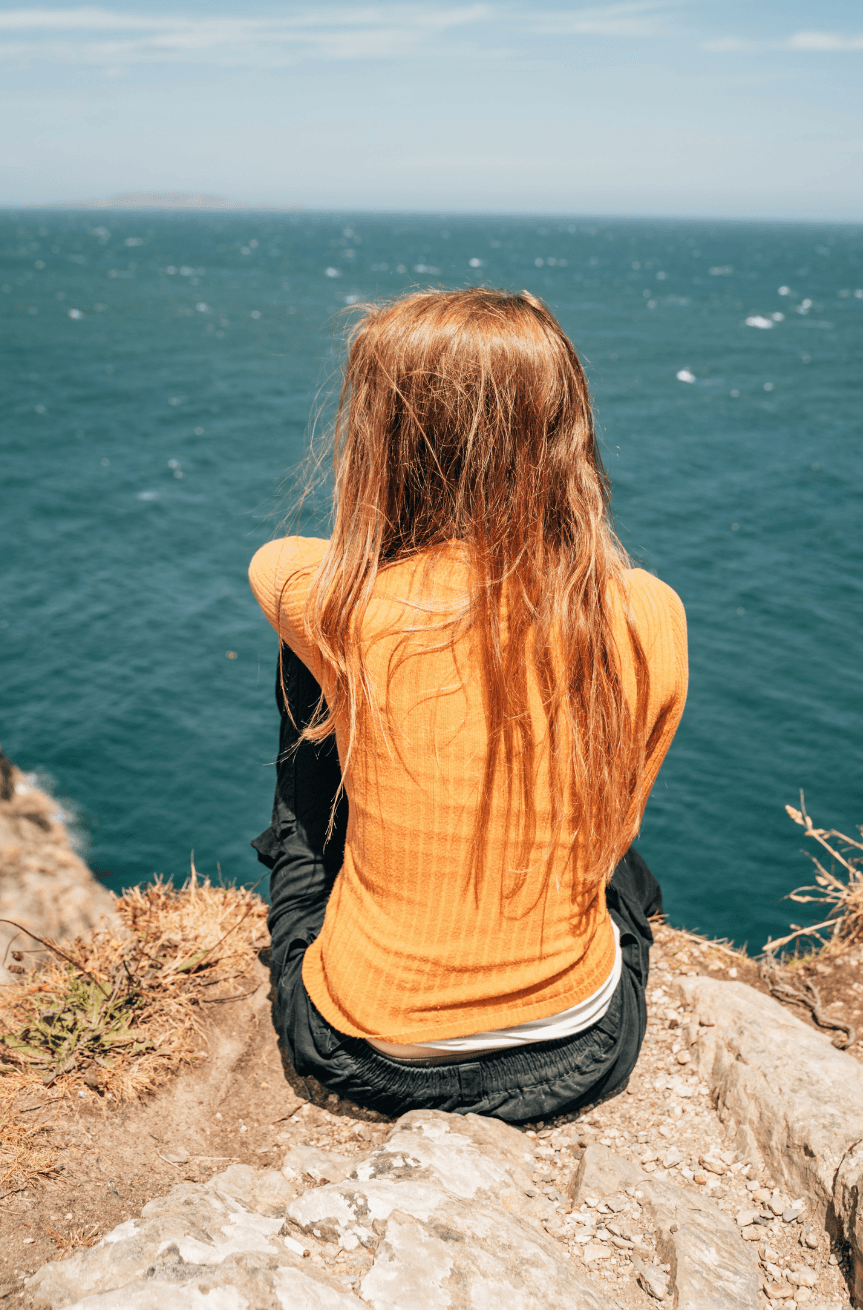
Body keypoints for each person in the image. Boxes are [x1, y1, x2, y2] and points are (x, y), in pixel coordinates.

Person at [249, 288, 687, 1123]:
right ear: (565, 435)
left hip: (362, 1051)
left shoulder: (347, 608)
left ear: (389, 439)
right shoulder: (646, 612)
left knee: (311, 660)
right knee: (623, 871)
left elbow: (276, 560)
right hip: (576, 1052)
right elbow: (617, 823)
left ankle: (373, 922)